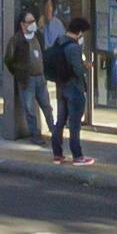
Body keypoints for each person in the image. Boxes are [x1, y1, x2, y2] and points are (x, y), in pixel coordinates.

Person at [44, 18, 91, 164]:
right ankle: (77, 155)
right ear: (80, 32)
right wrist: (86, 67)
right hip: (74, 89)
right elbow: (78, 70)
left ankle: (57, 154)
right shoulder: (74, 48)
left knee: (60, 122)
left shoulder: (59, 41)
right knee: (75, 124)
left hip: (61, 87)